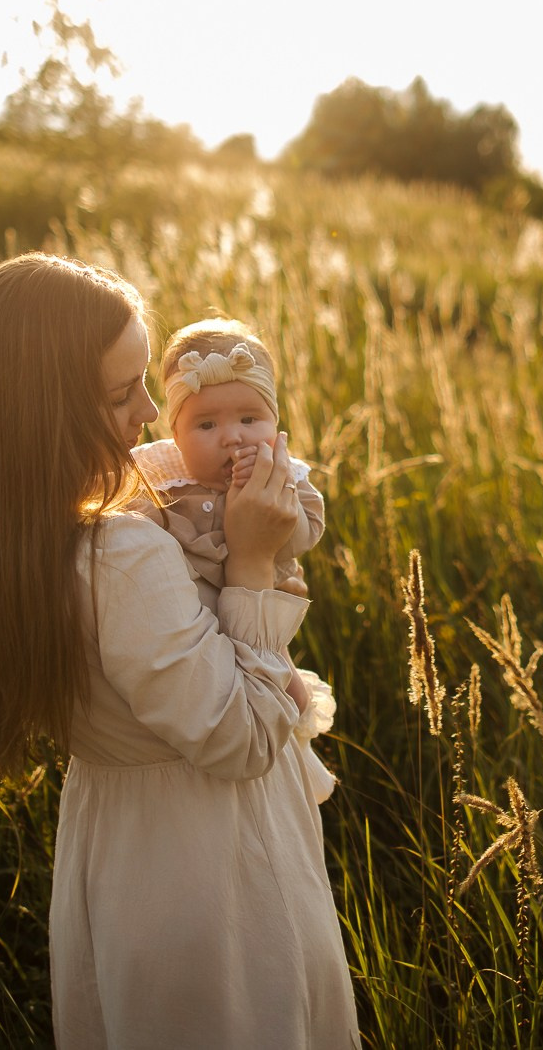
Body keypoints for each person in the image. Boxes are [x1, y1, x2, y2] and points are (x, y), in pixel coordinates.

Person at [0, 252, 359, 1049]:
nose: (148, 412)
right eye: (122, 390)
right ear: (50, 409)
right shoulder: (122, 553)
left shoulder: (18, 542)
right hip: (213, 882)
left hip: (120, 858)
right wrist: (255, 563)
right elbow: (239, 737)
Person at [129, 317, 339, 804]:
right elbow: (136, 532)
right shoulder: (160, 478)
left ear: (275, 421)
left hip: (260, 608)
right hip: (193, 620)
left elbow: (307, 531)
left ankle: (298, 781)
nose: (233, 437)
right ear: (175, 435)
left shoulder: (284, 476)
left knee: (290, 699)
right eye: (206, 424)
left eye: (250, 419)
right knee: (222, 708)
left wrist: (272, 507)